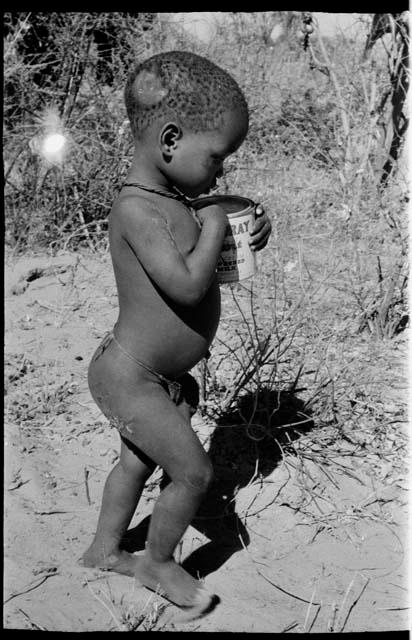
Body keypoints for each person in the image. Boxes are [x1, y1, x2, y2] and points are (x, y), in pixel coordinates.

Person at [81, 50, 272, 617]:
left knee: (136, 464)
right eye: (217, 157)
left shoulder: (175, 201)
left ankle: (104, 551)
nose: (221, 172)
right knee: (193, 472)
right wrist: (215, 220)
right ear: (169, 141)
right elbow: (188, 285)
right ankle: (159, 564)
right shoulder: (136, 211)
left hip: (156, 375)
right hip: (129, 376)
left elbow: (211, 255)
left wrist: (249, 229)